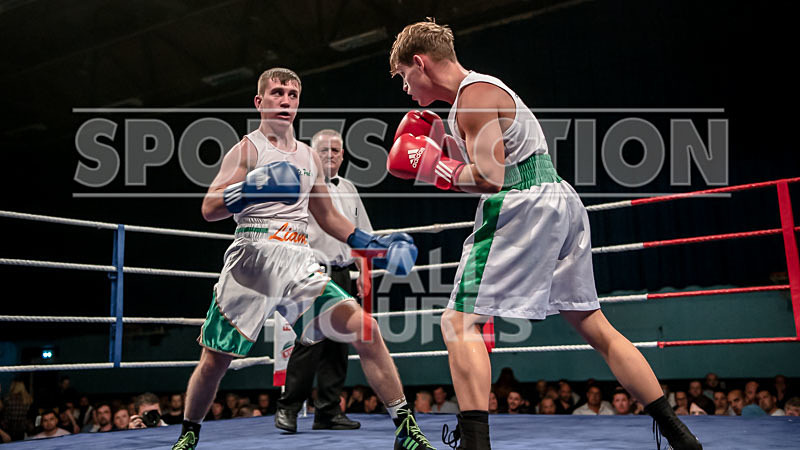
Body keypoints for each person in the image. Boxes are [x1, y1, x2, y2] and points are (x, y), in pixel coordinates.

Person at [388, 19, 702, 450]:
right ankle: (681, 436)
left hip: (523, 203)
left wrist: (429, 165)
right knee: (594, 324)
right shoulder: (475, 96)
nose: (404, 87)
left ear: (419, 63)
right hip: (559, 200)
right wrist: (438, 150)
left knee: (457, 322)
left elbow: (491, 177)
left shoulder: (474, 96)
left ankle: (475, 444)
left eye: (403, 76)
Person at [171, 68, 433, 450]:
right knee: (214, 362)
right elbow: (209, 207)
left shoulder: (309, 156)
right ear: (260, 102)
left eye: (293, 94)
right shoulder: (248, 149)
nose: (286, 100)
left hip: (298, 262)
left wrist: (375, 246)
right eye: (277, 93)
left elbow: (329, 218)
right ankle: (189, 434)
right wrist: (250, 188)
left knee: (366, 329)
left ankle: (405, 429)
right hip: (251, 261)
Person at [276, 129, 369, 433]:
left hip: (343, 271)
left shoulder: (350, 189)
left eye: (336, 150)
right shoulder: (301, 186)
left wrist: (364, 272)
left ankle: (328, 411)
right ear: (313, 155)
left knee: (339, 344)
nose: (330, 155)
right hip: (311, 269)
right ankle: (288, 408)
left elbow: (360, 234)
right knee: (310, 340)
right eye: (324, 150)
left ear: (343, 155)